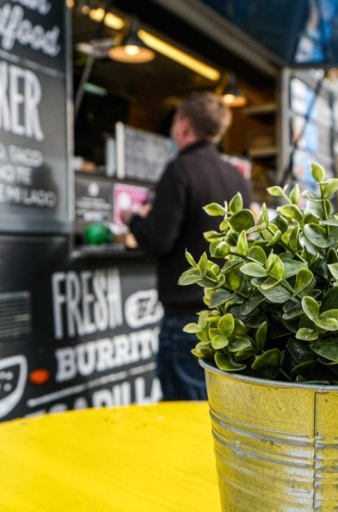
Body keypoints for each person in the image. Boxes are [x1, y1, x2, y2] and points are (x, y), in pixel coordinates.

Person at [120, 91, 252, 401]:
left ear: (183, 127)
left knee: (184, 415)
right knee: (216, 413)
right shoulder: (236, 177)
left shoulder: (180, 171)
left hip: (186, 322)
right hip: (228, 318)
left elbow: (158, 241)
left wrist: (133, 220)